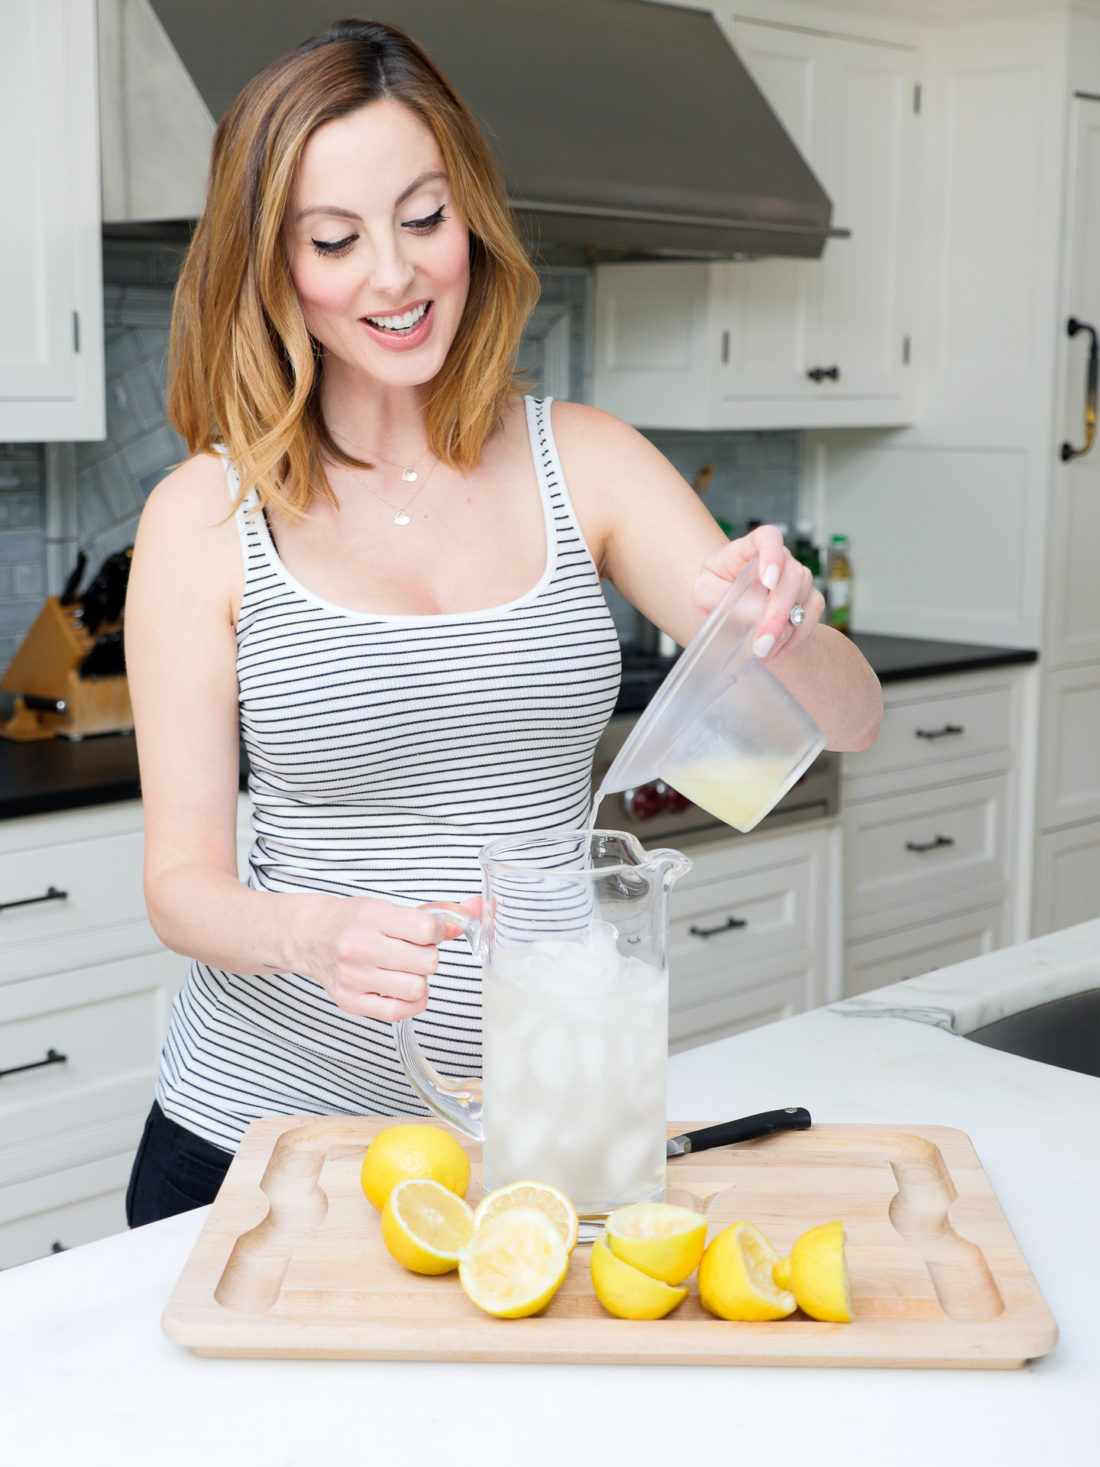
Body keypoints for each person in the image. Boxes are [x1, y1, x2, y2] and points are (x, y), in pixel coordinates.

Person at [123, 17, 882, 1227]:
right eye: (334, 238)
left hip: (539, 1129)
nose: (393, 273)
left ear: (469, 215)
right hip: (265, 1148)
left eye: (423, 219)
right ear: (273, 265)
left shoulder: (586, 462)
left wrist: (789, 625)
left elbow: (845, 722)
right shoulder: (202, 520)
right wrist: (314, 935)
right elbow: (181, 886)